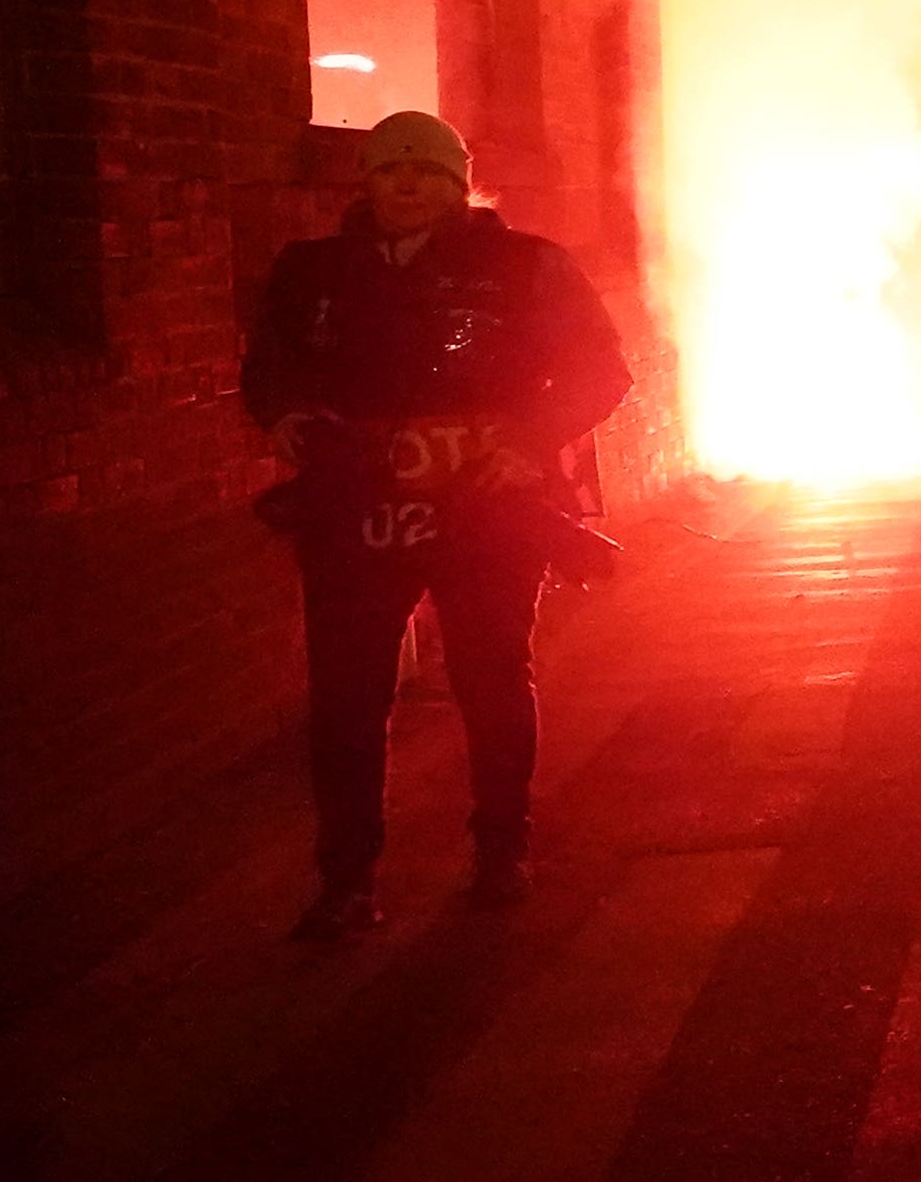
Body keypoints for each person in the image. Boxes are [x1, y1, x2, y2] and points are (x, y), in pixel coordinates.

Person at [242, 109, 631, 938]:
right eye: (390, 170)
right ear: (367, 181)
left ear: (458, 184)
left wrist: (528, 443)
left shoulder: (525, 268)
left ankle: (501, 851)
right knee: (347, 697)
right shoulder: (312, 275)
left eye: (427, 172)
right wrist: (281, 413)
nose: (407, 184)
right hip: (356, 511)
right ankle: (347, 883)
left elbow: (601, 369)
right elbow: (269, 365)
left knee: (490, 680)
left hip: (486, 509)